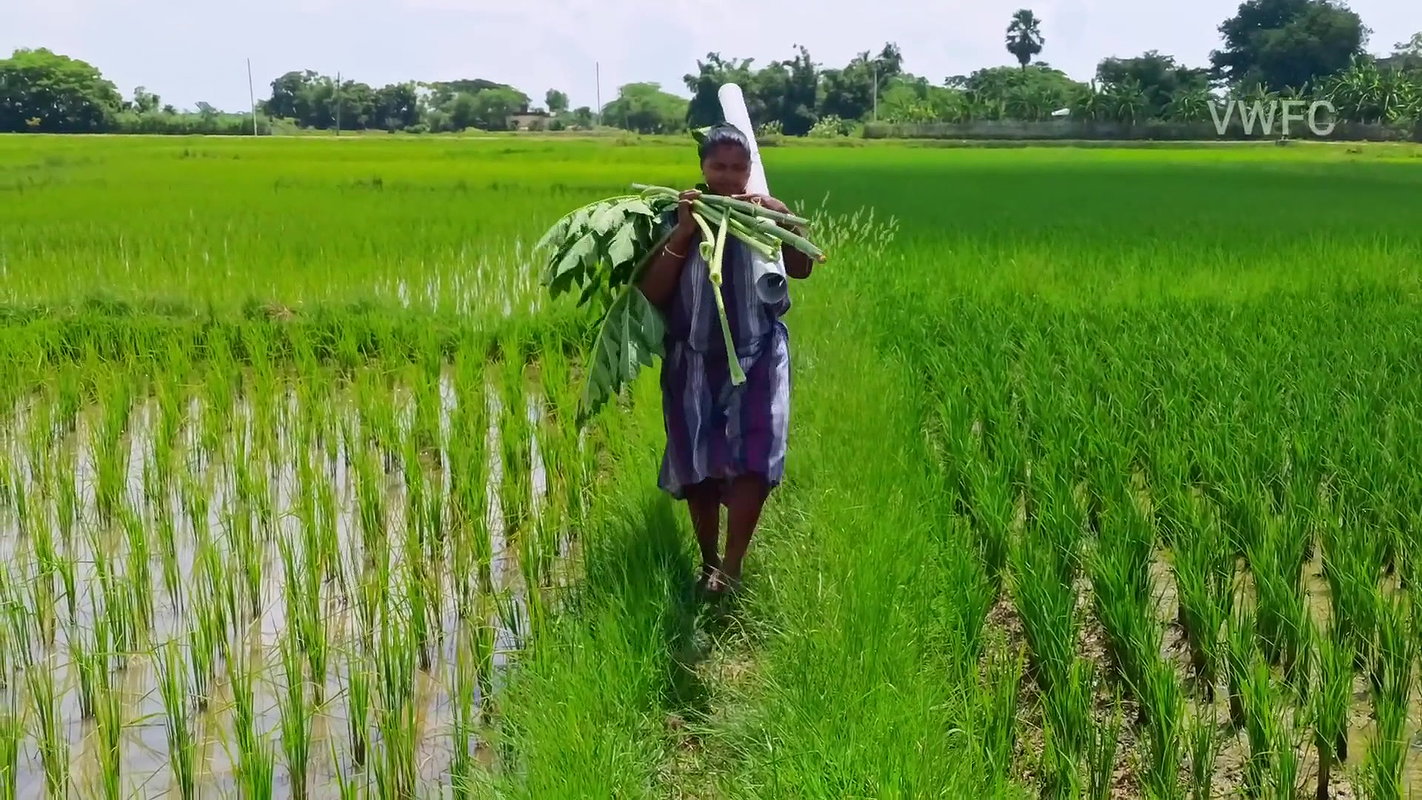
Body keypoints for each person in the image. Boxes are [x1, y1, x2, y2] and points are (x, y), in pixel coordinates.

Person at [637, 123, 815, 597]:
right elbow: (652, 291)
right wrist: (685, 229)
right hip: (692, 358)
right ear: (702, 167)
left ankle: (732, 567)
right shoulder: (677, 213)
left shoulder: (759, 215)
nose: (728, 178)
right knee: (698, 462)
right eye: (718, 166)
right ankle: (708, 560)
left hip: (758, 354)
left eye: (738, 168)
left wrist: (784, 219)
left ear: (750, 170)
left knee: (755, 459)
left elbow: (799, 268)